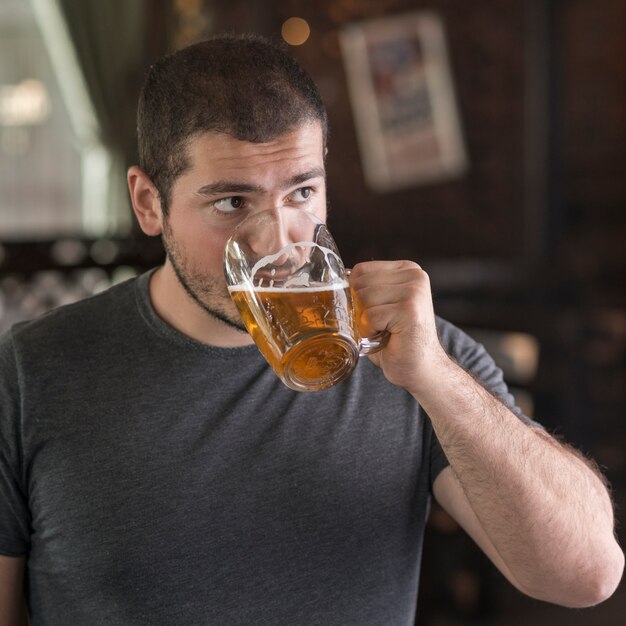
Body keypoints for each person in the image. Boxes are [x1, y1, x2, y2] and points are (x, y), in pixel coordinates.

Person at [0, 33, 623, 626]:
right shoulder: (29, 374)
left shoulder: (418, 355)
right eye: (230, 203)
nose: (279, 242)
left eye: (301, 192)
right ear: (148, 203)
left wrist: (435, 379)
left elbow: (587, 575)